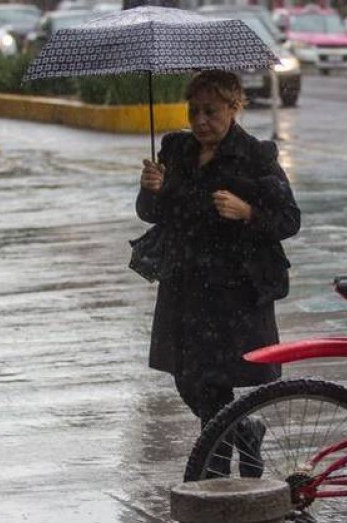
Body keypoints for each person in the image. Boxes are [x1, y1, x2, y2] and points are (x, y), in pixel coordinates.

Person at [135, 70, 300, 452]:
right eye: (194, 111)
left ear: (233, 107)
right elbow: (151, 213)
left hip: (233, 286)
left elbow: (289, 219)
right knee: (187, 378)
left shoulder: (256, 156)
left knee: (217, 377)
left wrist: (248, 212)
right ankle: (243, 433)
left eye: (211, 111)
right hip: (184, 281)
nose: (200, 121)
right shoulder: (176, 150)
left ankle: (217, 464)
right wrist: (151, 190)